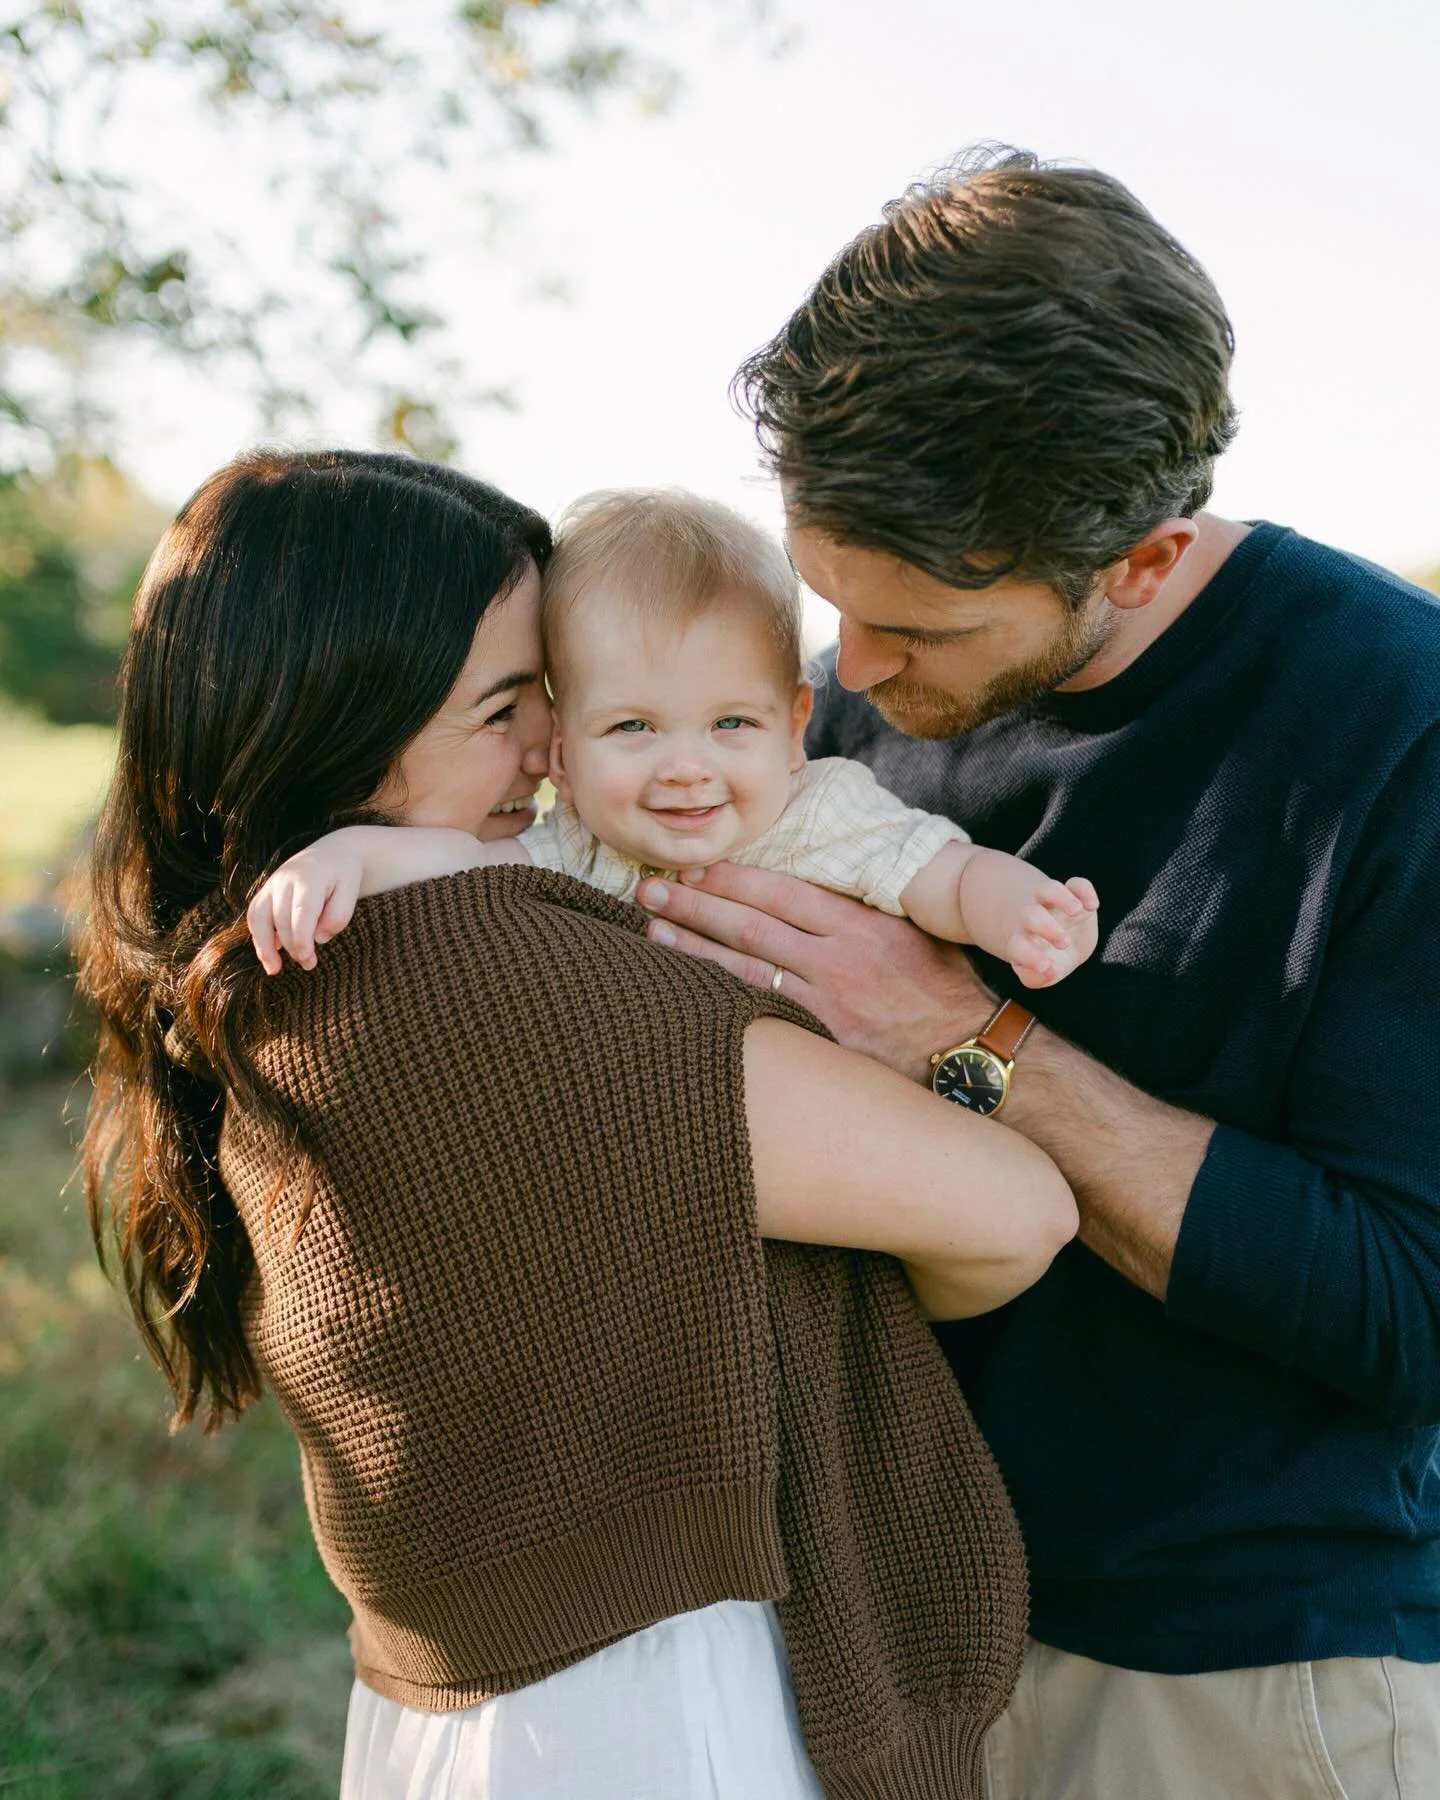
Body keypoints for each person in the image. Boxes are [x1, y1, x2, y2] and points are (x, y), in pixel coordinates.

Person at [79, 447, 1077, 1800]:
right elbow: (1016, 1210)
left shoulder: (277, 964)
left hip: (482, 1707)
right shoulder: (481, 962)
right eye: (507, 708)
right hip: (653, 1709)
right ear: (349, 719)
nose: (552, 751)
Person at [637, 147, 1440, 1798]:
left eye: (919, 631)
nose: (846, 677)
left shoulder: (1395, 732)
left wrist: (964, 1033)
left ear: (1140, 558)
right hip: (882, 1636)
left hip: (1234, 1677)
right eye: (829, 603)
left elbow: (1410, 1308)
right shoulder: (837, 709)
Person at [246, 487, 1098, 997]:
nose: (687, 768)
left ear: (796, 726)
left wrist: (1024, 914)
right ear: (566, 757)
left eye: (732, 724)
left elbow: (947, 878)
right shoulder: (570, 850)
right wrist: (346, 857)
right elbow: (452, 863)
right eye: (633, 728)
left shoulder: (823, 811)